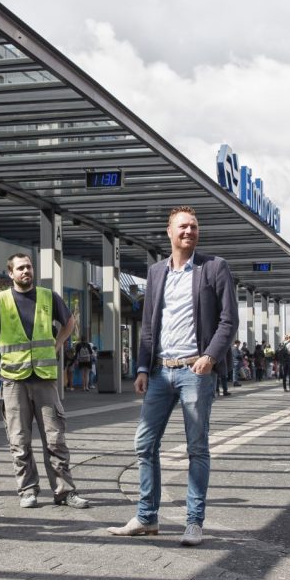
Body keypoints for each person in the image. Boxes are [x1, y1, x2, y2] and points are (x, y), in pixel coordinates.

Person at [106, 206, 237, 547]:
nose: (189, 231)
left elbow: (228, 321)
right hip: (162, 372)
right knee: (144, 443)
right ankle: (147, 518)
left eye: (194, 226)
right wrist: (142, 368)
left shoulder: (214, 268)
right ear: (169, 232)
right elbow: (148, 326)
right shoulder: (156, 272)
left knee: (197, 448)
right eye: (182, 226)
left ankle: (194, 522)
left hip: (196, 371)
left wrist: (210, 356)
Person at [0, 253, 90, 510]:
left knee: (55, 438)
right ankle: (27, 490)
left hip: (44, 379)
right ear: (10, 273)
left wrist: (58, 343)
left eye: (29, 267)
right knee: (19, 440)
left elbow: (69, 322)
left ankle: (65, 491)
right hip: (13, 379)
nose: (26, 271)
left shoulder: (48, 296)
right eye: (20, 268)